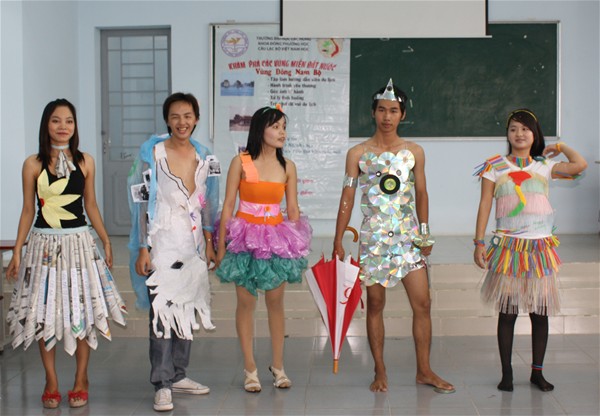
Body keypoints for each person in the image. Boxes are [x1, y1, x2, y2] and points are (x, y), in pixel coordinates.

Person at [332, 79, 454, 393]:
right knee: (375, 304)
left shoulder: (414, 152)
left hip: (407, 237)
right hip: (374, 239)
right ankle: (380, 370)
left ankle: (424, 370)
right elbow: (347, 197)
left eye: (394, 111)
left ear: (403, 115)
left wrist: (424, 233)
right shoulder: (357, 154)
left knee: (423, 303)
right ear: (373, 113)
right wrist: (338, 239)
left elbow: (422, 193)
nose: (387, 116)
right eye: (382, 110)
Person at [5, 98, 127, 409]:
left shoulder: (86, 161)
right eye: (56, 120)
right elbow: (28, 210)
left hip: (79, 246)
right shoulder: (33, 164)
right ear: (46, 125)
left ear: (75, 126)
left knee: (81, 312)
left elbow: (91, 205)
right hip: (42, 247)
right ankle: (51, 380)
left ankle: (81, 378)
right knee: (43, 313)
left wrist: (105, 240)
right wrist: (17, 251)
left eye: (69, 121)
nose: (63, 127)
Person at [473, 108, 587, 392]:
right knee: (508, 312)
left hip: (539, 249)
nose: (519, 134)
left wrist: (560, 147)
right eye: (513, 128)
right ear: (507, 134)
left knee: (540, 312)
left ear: (535, 134)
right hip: (508, 248)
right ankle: (507, 373)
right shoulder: (494, 166)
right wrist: (478, 242)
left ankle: (537, 372)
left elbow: (579, 165)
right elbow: (485, 204)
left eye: (525, 129)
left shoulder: (544, 166)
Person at [129, 92, 219, 412]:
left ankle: (179, 375)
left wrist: (210, 241)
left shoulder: (205, 155)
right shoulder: (151, 154)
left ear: (196, 119)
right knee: (162, 313)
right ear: (167, 120)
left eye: (188, 116)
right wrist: (143, 247)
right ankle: (162, 382)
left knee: (186, 308)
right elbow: (140, 202)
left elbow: (208, 202)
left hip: (193, 246)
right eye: (175, 116)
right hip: (162, 243)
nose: (182, 122)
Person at [215, 105, 311, 393]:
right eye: (276, 127)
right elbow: (228, 205)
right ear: (260, 129)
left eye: (284, 127)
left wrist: (298, 244)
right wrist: (221, 245)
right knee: (246, 303)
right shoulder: (241, 162)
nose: (282, 133)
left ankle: (278, 367)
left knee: (275, 303)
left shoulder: (288, 166)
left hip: (276, 240)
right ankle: (250, 369)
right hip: (244, 237)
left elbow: (292, 209)